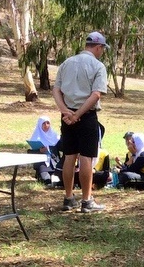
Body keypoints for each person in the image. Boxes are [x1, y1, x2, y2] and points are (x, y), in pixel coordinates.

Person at [52, 31, 109, 212]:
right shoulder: (98, 66)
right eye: (102, 49)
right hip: (86, 116)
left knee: (69, 156)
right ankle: (86, 200)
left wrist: (64, 111)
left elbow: (56, 90)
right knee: (86, 157)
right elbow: (96, 94)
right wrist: (78, 115)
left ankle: (68, 198)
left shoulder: (66, 63)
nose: (101, 52)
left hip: (66, 116)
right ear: (98, 47)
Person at [28, 115, 61, 185]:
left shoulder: (55, 136)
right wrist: (40, 151)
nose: (46, 125)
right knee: (46, 180)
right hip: (42, 164)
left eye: (48, 123)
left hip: (54, 163)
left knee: (59, 181)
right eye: (44, 123)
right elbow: (30, 152)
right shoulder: (36, 137)